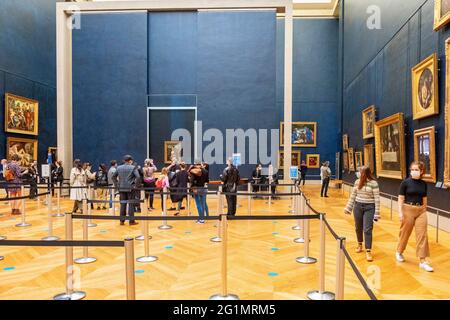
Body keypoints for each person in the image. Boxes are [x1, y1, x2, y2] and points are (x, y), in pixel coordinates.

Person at [396, 161, 433, 272]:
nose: (414, 171)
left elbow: (424, 199)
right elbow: (401, 198)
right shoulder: (405, 183)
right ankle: (399, 251)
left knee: (422, 235)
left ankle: (423, 260)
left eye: (416, 170)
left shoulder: (423, 184)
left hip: (421, 210)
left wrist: (424, 209)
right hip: (408, 209)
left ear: (421, 171)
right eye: (412, 169)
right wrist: (400, 213)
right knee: (405, 233)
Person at [344, 166, 380, 262]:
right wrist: (348, 208)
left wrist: (377, 213)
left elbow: (377, 199)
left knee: (367, 229)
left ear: (365, 173)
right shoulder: (357, 182)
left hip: (369, 207)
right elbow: (353, 195)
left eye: (360, 172)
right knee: (358, 227)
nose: (358, 173)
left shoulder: (374, 183)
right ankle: (360, 244)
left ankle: (368, 251)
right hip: (358, 206)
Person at [112, 155, 140, 226]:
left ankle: (122, 221)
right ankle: (131, 221)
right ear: (130, 160)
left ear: (124, 161)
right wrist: (135, 186)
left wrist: (117, 185)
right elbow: (138, 177)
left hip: (121, 188)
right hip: (130, 188)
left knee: (122, 205)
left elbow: (113, 177)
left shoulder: (119, 167)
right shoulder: (133, 167)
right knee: (131, 205)